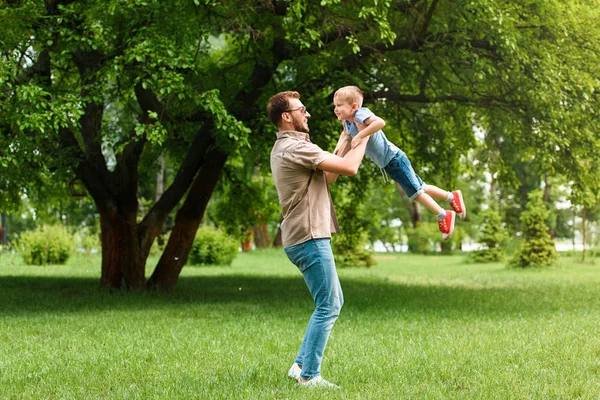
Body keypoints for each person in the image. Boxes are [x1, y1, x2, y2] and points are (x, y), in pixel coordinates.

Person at [267, 90, 369, 388]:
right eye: (302, 110)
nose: (307, 114)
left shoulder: (295, 146)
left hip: (304, 235)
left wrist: (348, 138)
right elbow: (350, 168)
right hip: (309, 236)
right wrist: (364, 135)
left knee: (330, 301)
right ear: (287, 116)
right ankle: (309, 376)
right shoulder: (294, 148)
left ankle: (300, 366)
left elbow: (329, 176)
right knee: (329, 304)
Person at [333, 85, 466, 240]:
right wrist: (336, 155)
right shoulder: (347, 123)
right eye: (335, 105)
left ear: (354, 106)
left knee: (415, 193)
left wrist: (360, 135)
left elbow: (380, 123)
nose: (336, 109)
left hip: (394, 159)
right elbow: (345, 138)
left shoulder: (360, 114)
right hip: (389, 162)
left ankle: (443, 215)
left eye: (339, 105)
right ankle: (452, 196)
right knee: (420, 186)